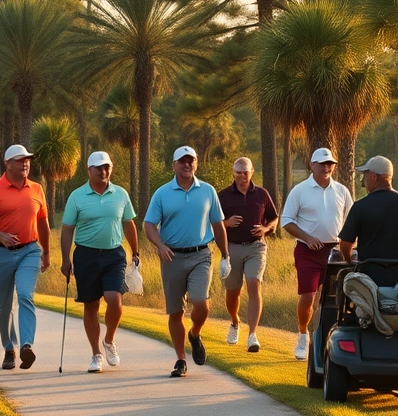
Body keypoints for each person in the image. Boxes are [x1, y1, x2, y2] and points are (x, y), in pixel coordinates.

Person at [144, 146, 229, 378]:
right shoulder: (162, 193)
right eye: (182, 161)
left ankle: (195, 334)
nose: (187, 165)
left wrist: (226, 255)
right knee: (175, 312)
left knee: (201, 302)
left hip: (201, 254)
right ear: (173, 165)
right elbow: (149, 224)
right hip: (171, 256)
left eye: (191, 160)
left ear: (196, 163)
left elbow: (218, 225)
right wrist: (160, 246)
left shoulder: (208, 191)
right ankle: (181, 359)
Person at [60, 151, 140, 373]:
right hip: (85, 255)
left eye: (107, 167)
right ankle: (96, 354)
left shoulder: (121, 194)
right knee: (91, 305)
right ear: (89, 170)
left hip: (114, 255)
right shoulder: (77, 196)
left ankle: (109, 340)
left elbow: (128, 224)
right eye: (99, 168)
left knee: (114, 298)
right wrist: (65, 259)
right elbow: (67, 229)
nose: (104, 172)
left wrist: (136, 250)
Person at [0, 144, 51, 371]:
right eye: (19, 160)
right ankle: (9, 348)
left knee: (26, 295)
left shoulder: (37, 189)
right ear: (7, 163)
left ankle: (27, 345)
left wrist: (46, 251)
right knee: (3, 307)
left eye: (27, 159)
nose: (25, 163)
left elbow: (43, 222)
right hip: (0, 253)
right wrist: (1, 235)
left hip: (30, 250)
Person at [280, 147, 353, 360]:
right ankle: (303, 335)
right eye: (321, 164)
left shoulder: (342, 191)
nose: (326, 167)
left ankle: (329, 339)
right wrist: (308, 237)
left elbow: (350, 220)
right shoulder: (300, 190)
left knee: (334, 300)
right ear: (311, 165)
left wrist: (347, 244)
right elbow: (286, 221)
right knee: (308, 295)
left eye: (330, 163)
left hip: (336, 252)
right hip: (307, 250)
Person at [217, 157, 278, 353]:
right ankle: (235, 322)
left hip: (256, 247)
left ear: (252, 172)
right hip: (232, 247)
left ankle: (253, 335)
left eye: (245, 172)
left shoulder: (261, 194)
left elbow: (274, 218)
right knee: (233, 291)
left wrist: (265, 229)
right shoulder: (223, 196)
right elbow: (213, 221)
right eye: (238, 172)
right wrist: (227, 223)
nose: (242, 176)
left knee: (254, 284)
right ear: (233, 173)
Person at [338, 155, 398, 266]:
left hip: (368, 274)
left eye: (365, 175)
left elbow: (345, 244)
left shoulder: (360, 206)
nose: (363, 181)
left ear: (373, 176)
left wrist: (349, 261)